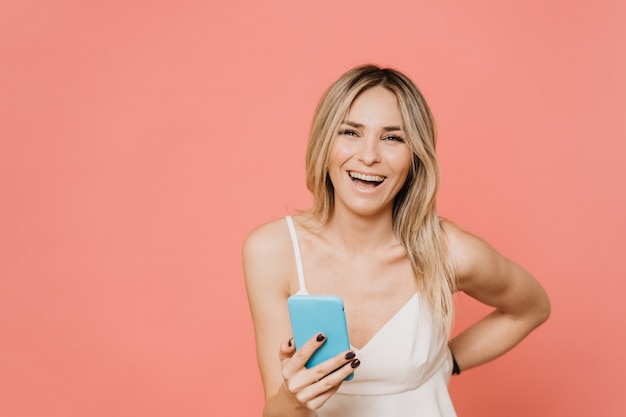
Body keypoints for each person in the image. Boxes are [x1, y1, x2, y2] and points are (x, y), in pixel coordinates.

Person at [242, 64, 550, 417]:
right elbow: (276, 411)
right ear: (324, 143)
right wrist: (293, 400)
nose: (369, 156)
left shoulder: (449, 251)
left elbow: (532, 307)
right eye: (350, 132)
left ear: (415, 157)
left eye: (392, 137)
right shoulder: (272, 251)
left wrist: (447, 362)